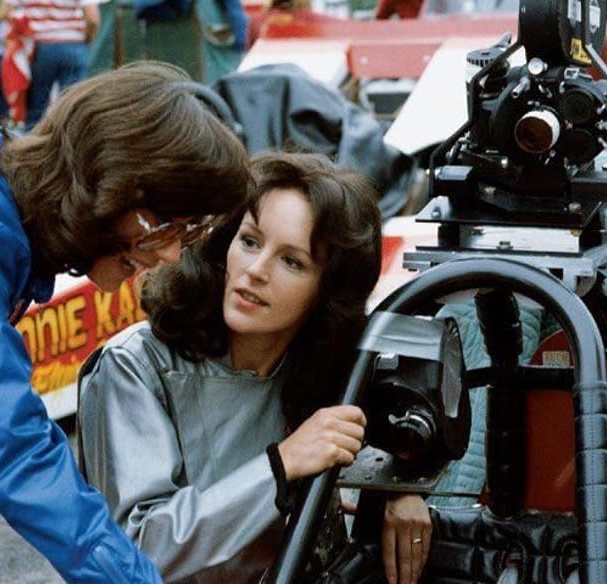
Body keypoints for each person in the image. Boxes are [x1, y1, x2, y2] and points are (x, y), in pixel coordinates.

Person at [0, 61, 249, 583]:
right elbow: (15, 452)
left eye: (192, 233)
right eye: (171, 227)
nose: (173, 255)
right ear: (114, 187)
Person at [79, 152, 433, 584]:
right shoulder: (134, 366)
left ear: (327, 292)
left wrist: (401, 488)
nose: (256, 271)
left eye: (292, 261)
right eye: (250, 241)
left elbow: (390, 429)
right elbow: (135, 548)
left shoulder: (328, 368)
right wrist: (280, 466)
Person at [6, 0, 103, 129]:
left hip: (41, 47)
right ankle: (71, 144)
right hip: (73, 45)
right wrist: (88, 39)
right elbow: (92, 19)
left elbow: (8, 10)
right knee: (73, 107)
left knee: (36, 107)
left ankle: (28, 143)